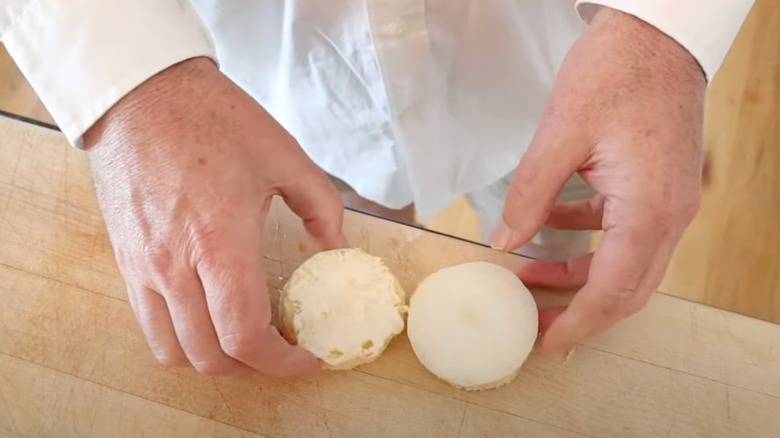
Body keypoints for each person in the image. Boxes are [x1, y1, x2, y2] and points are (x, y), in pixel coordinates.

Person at [0, 0, 754, 378]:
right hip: (269, 96)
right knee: (346, 228)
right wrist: (129, 83)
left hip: (561, 75)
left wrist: (667, 35)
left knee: (562, 243)